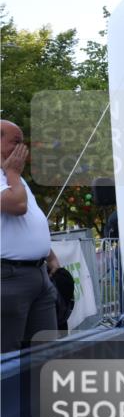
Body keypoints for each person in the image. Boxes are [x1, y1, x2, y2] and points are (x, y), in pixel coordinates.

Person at [1, 120, 60, 353]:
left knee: (45, 350)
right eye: (15, 141)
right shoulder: (12, 175)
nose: (22, 148)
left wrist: (49, 254)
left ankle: (42, 390)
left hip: (37, 275)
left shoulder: (14, 177)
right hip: (8, 277)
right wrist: (13, 173)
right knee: (7, 353)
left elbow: (30, 220)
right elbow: (17, 205)